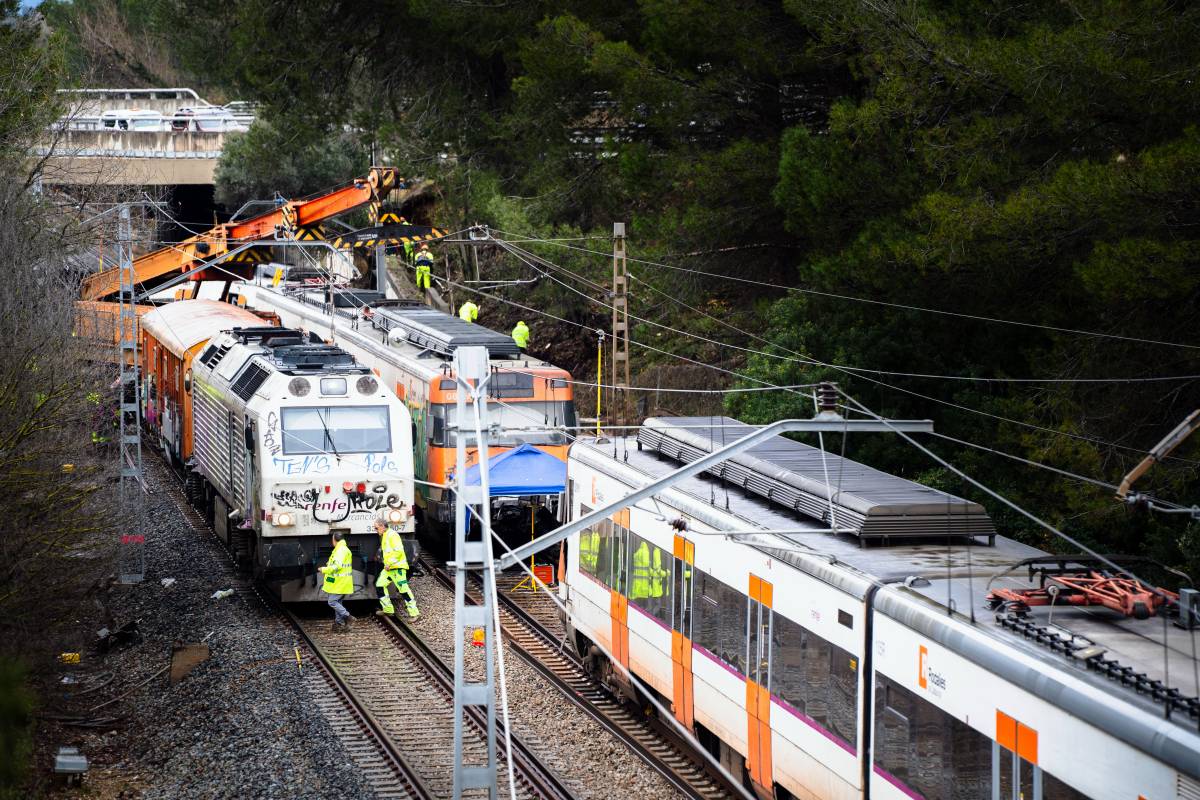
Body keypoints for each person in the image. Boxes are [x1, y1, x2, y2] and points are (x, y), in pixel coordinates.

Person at [373, 518, 420, 620]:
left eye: (376, 528)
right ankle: (388, 609)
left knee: (403, 590)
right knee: (379, 585)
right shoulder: (385, 535)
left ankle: (414, 613)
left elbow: (398, 551)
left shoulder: (392, 535)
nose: (376, 530)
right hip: (389, 569)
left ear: (382, 526)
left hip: (397, 568)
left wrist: (389, 563)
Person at [317, 531, 354, 632]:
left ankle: (348, 617)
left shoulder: (340, 550)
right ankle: (339, 624)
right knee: (338, 602)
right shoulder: (340, 549)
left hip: (340, 582)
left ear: (334, 540)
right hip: (338, 582)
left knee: (332, 601)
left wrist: (324, 569)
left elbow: (337, 566)